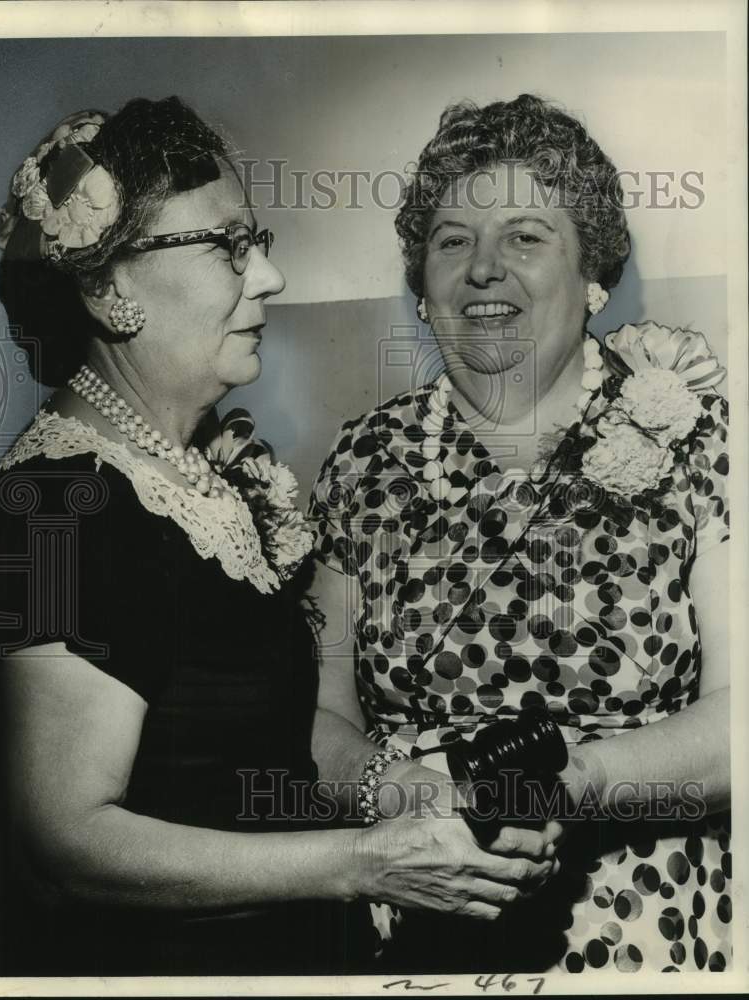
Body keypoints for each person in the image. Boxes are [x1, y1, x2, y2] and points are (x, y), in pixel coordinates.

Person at [0, 96, 561, 977]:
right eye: (226, 248)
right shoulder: (50, 508)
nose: (270, 281)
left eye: (260, 246)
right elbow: (62, 846)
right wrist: (366, 863)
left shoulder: (212, 472)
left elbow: (270, 736)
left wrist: (410, 796)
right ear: (107, 287)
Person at [309, 94, 731, 973]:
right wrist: (392, 790)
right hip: (416, 912)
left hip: (640, 926)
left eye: (527, 236)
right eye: (453, 241)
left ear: (595, 276)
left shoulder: (699, 433)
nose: (483, 269)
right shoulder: (363, 457)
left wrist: (571, 786)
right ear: (421, 287)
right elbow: (319, 716)